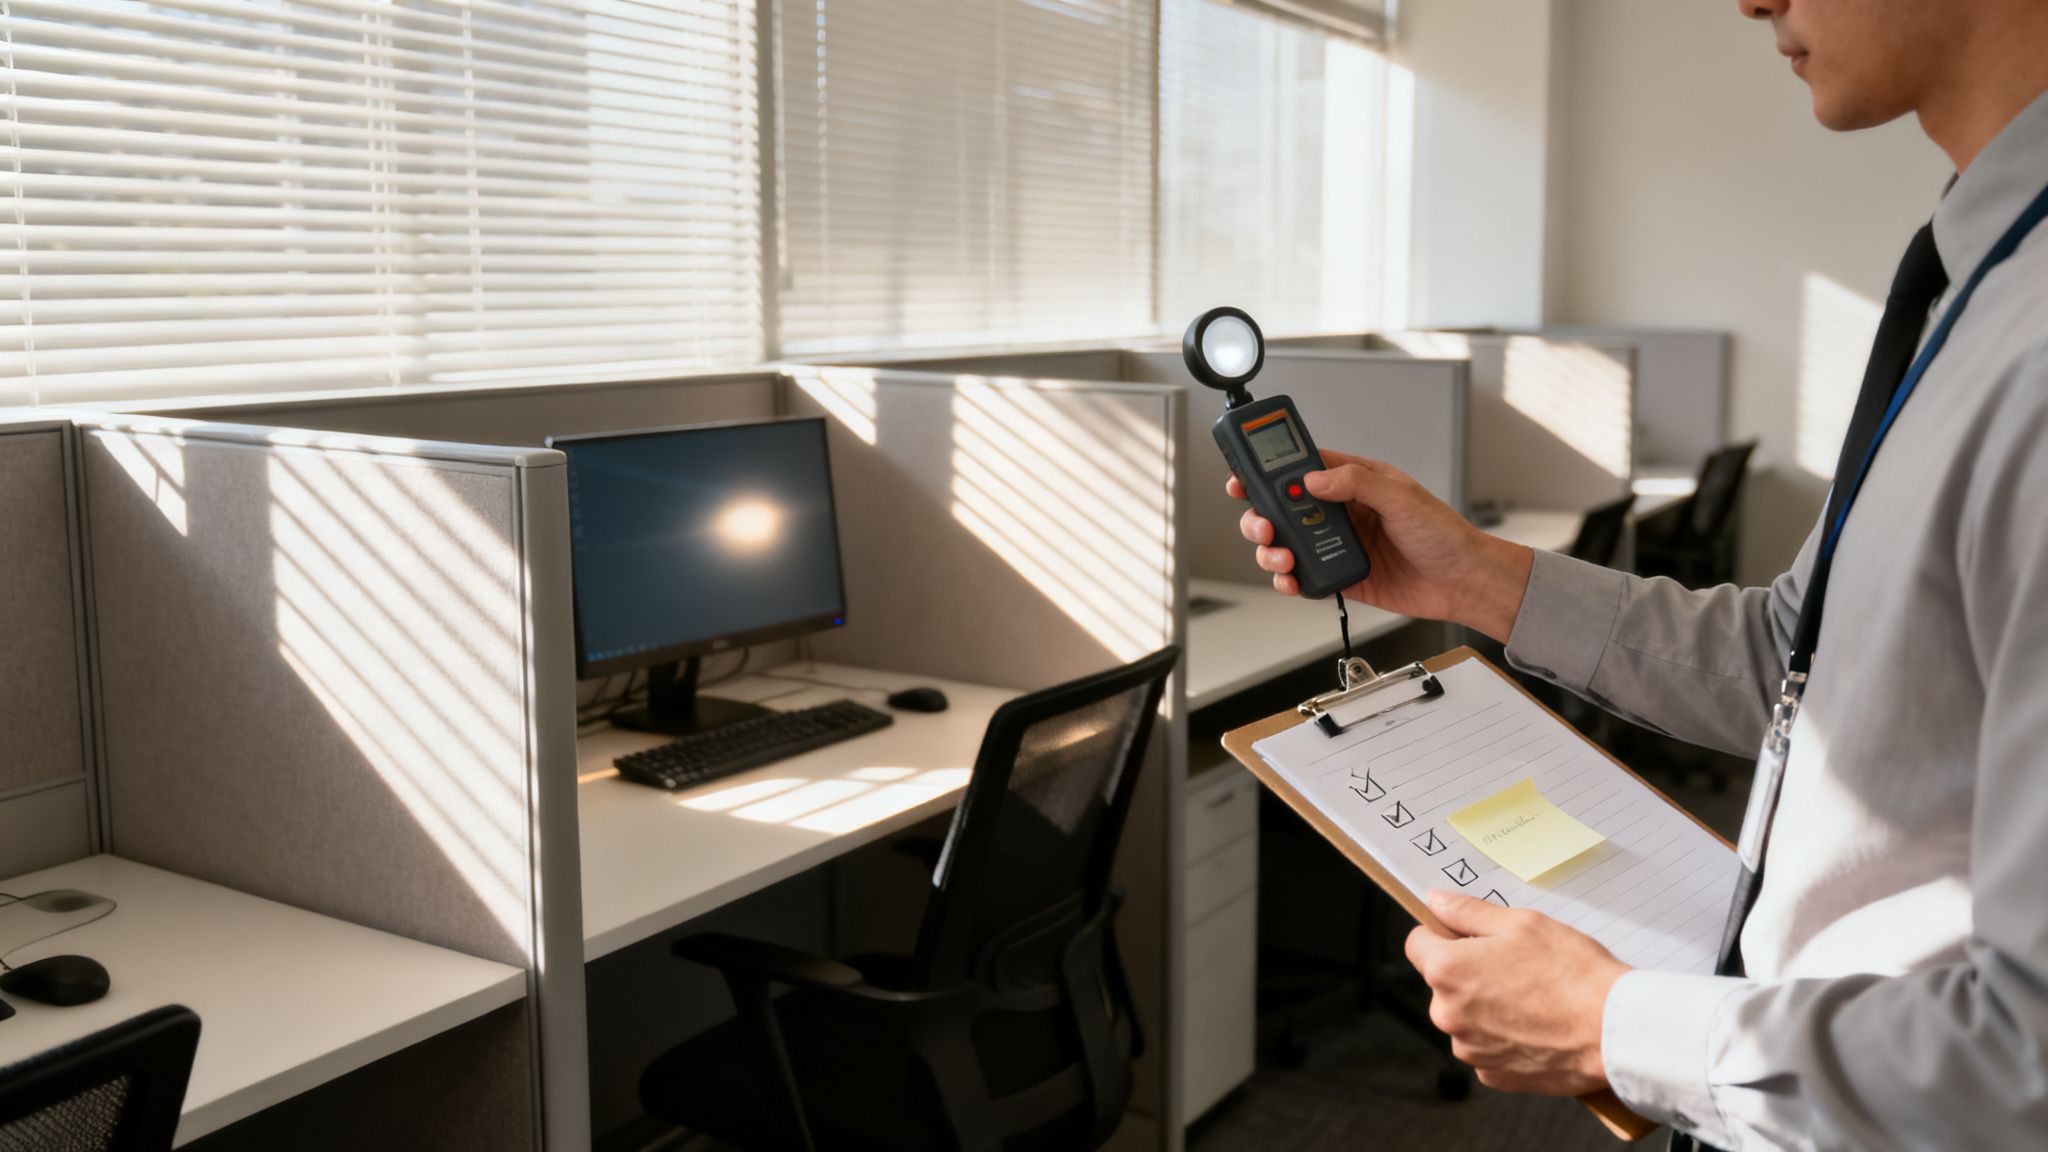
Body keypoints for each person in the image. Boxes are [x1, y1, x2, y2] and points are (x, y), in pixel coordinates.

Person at [1229, 1, 2048, 1147]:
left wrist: (1612, 1028)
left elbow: (2026, 1061)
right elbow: (1791, 651)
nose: (1748, 1)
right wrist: (1471, 577)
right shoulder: (1974, 286)